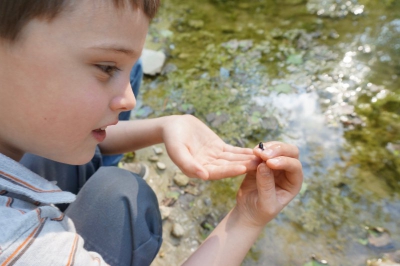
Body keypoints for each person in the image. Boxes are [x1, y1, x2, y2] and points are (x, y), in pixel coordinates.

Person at [0, 1, 303, 266]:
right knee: (123, 196)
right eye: (106, 67)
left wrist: (164, 125)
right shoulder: (19, 246)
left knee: (134, 70)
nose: (129, 100)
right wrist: (246, 219)